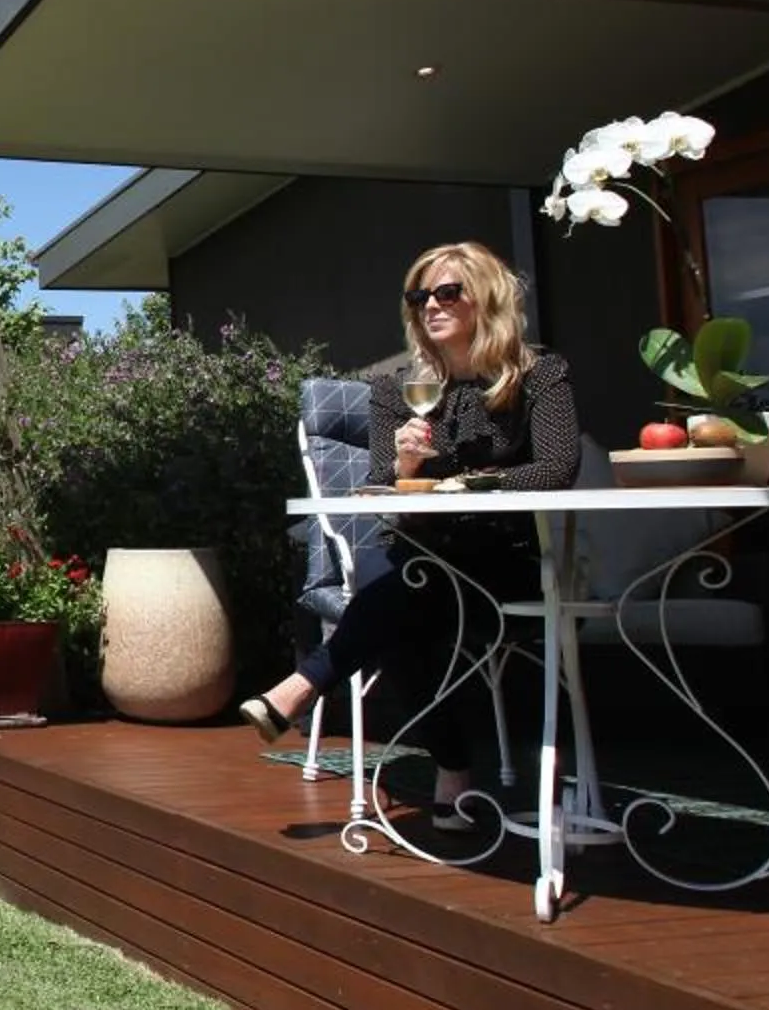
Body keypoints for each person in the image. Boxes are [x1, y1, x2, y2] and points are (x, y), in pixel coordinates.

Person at [238, 241, 580, 829]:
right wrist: (409, 468)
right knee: (401, 595)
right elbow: (379, 487)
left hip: (508, 553)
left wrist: (465, 485)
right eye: (420, 296)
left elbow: (557, 468)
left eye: (448, 292)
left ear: (487, 299)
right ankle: (447, 768)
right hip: (423, 550)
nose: (431, 306)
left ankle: (310, 688)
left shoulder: (538, 375)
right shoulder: (399, 391)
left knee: (397, 602)